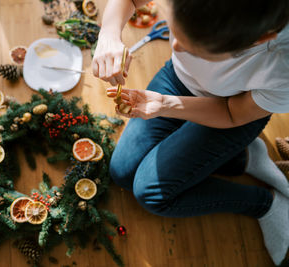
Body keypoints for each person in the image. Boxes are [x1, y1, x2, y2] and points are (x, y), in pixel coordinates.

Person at [91, 0, 289, 265]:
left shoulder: (283, 67)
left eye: (199, 48)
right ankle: (240, 158)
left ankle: (264, 203)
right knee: (122, 172)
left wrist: (165, 105)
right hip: (177, 81)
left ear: (259, 39)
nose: (176, 47)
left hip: (232, 110)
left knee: (150, 194)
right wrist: (109, 33)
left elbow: (232, 113)